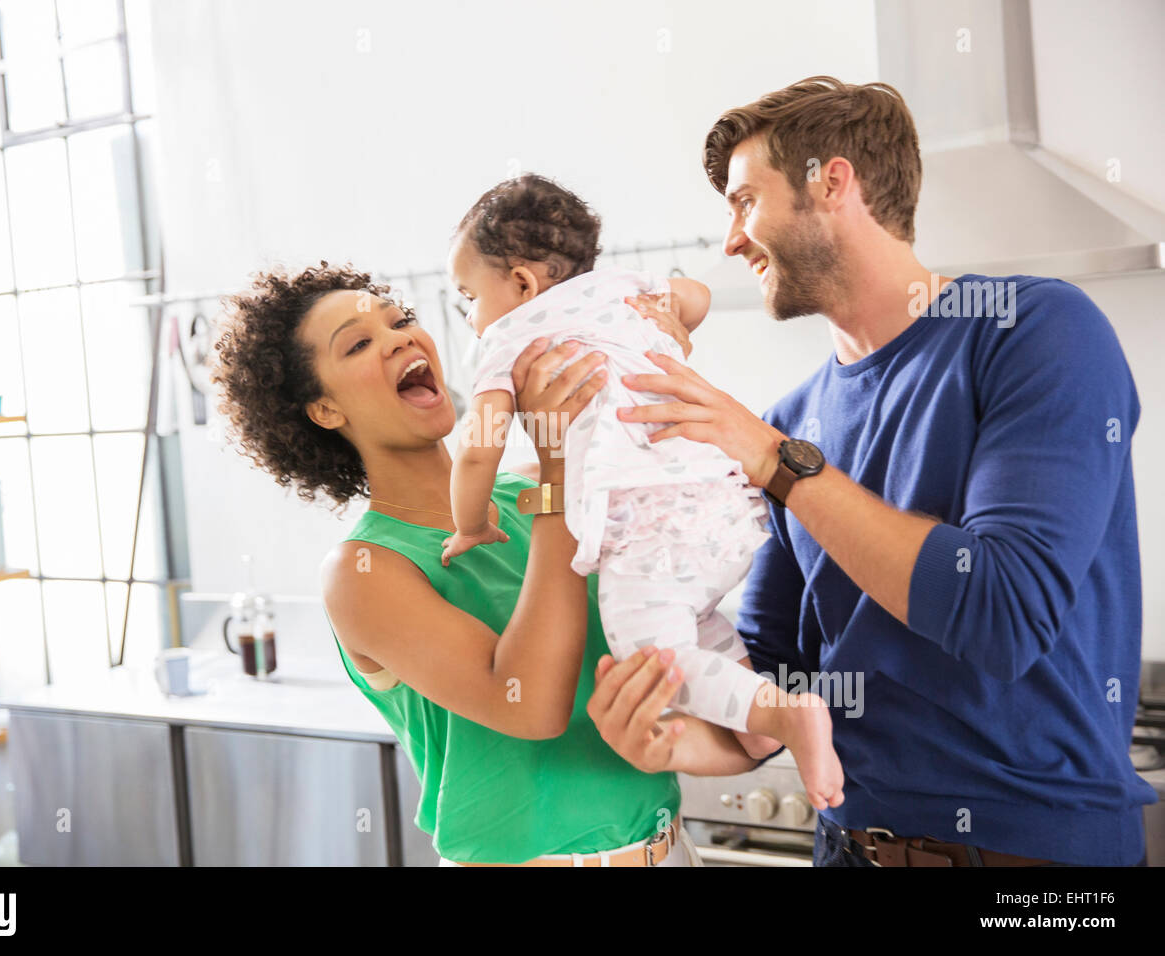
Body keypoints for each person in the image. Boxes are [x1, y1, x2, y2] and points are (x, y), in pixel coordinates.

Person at [589, 75, 1157, 867]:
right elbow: (777, 685)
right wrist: (679, 742)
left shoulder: (1033, 331)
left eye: (746, 200)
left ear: (833, 182)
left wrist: (774, 463)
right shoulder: (788, 423)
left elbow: (1002, 611)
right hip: (850, 849)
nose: (730, 241)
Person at [210, 261, 725, 865]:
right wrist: (559, 472)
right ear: (325, 410)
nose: (400, 337)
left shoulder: (525, 493)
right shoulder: (363, 570)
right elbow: (528, 704)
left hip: (672, 849)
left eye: (400, 320)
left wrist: (647, 350)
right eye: (358, 344)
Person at [443, 173, 843, 811]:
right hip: (726, 502)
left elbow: (477, 448)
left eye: (468, 295)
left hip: (652, 527)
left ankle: (787, 716)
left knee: (651, 651)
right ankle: (754, 725)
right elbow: (697, 294)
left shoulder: (507, 340)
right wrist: (672, 318)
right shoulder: (621, 289)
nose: (469, 313)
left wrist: (469, 521)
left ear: (520, 284)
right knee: (699, 624)